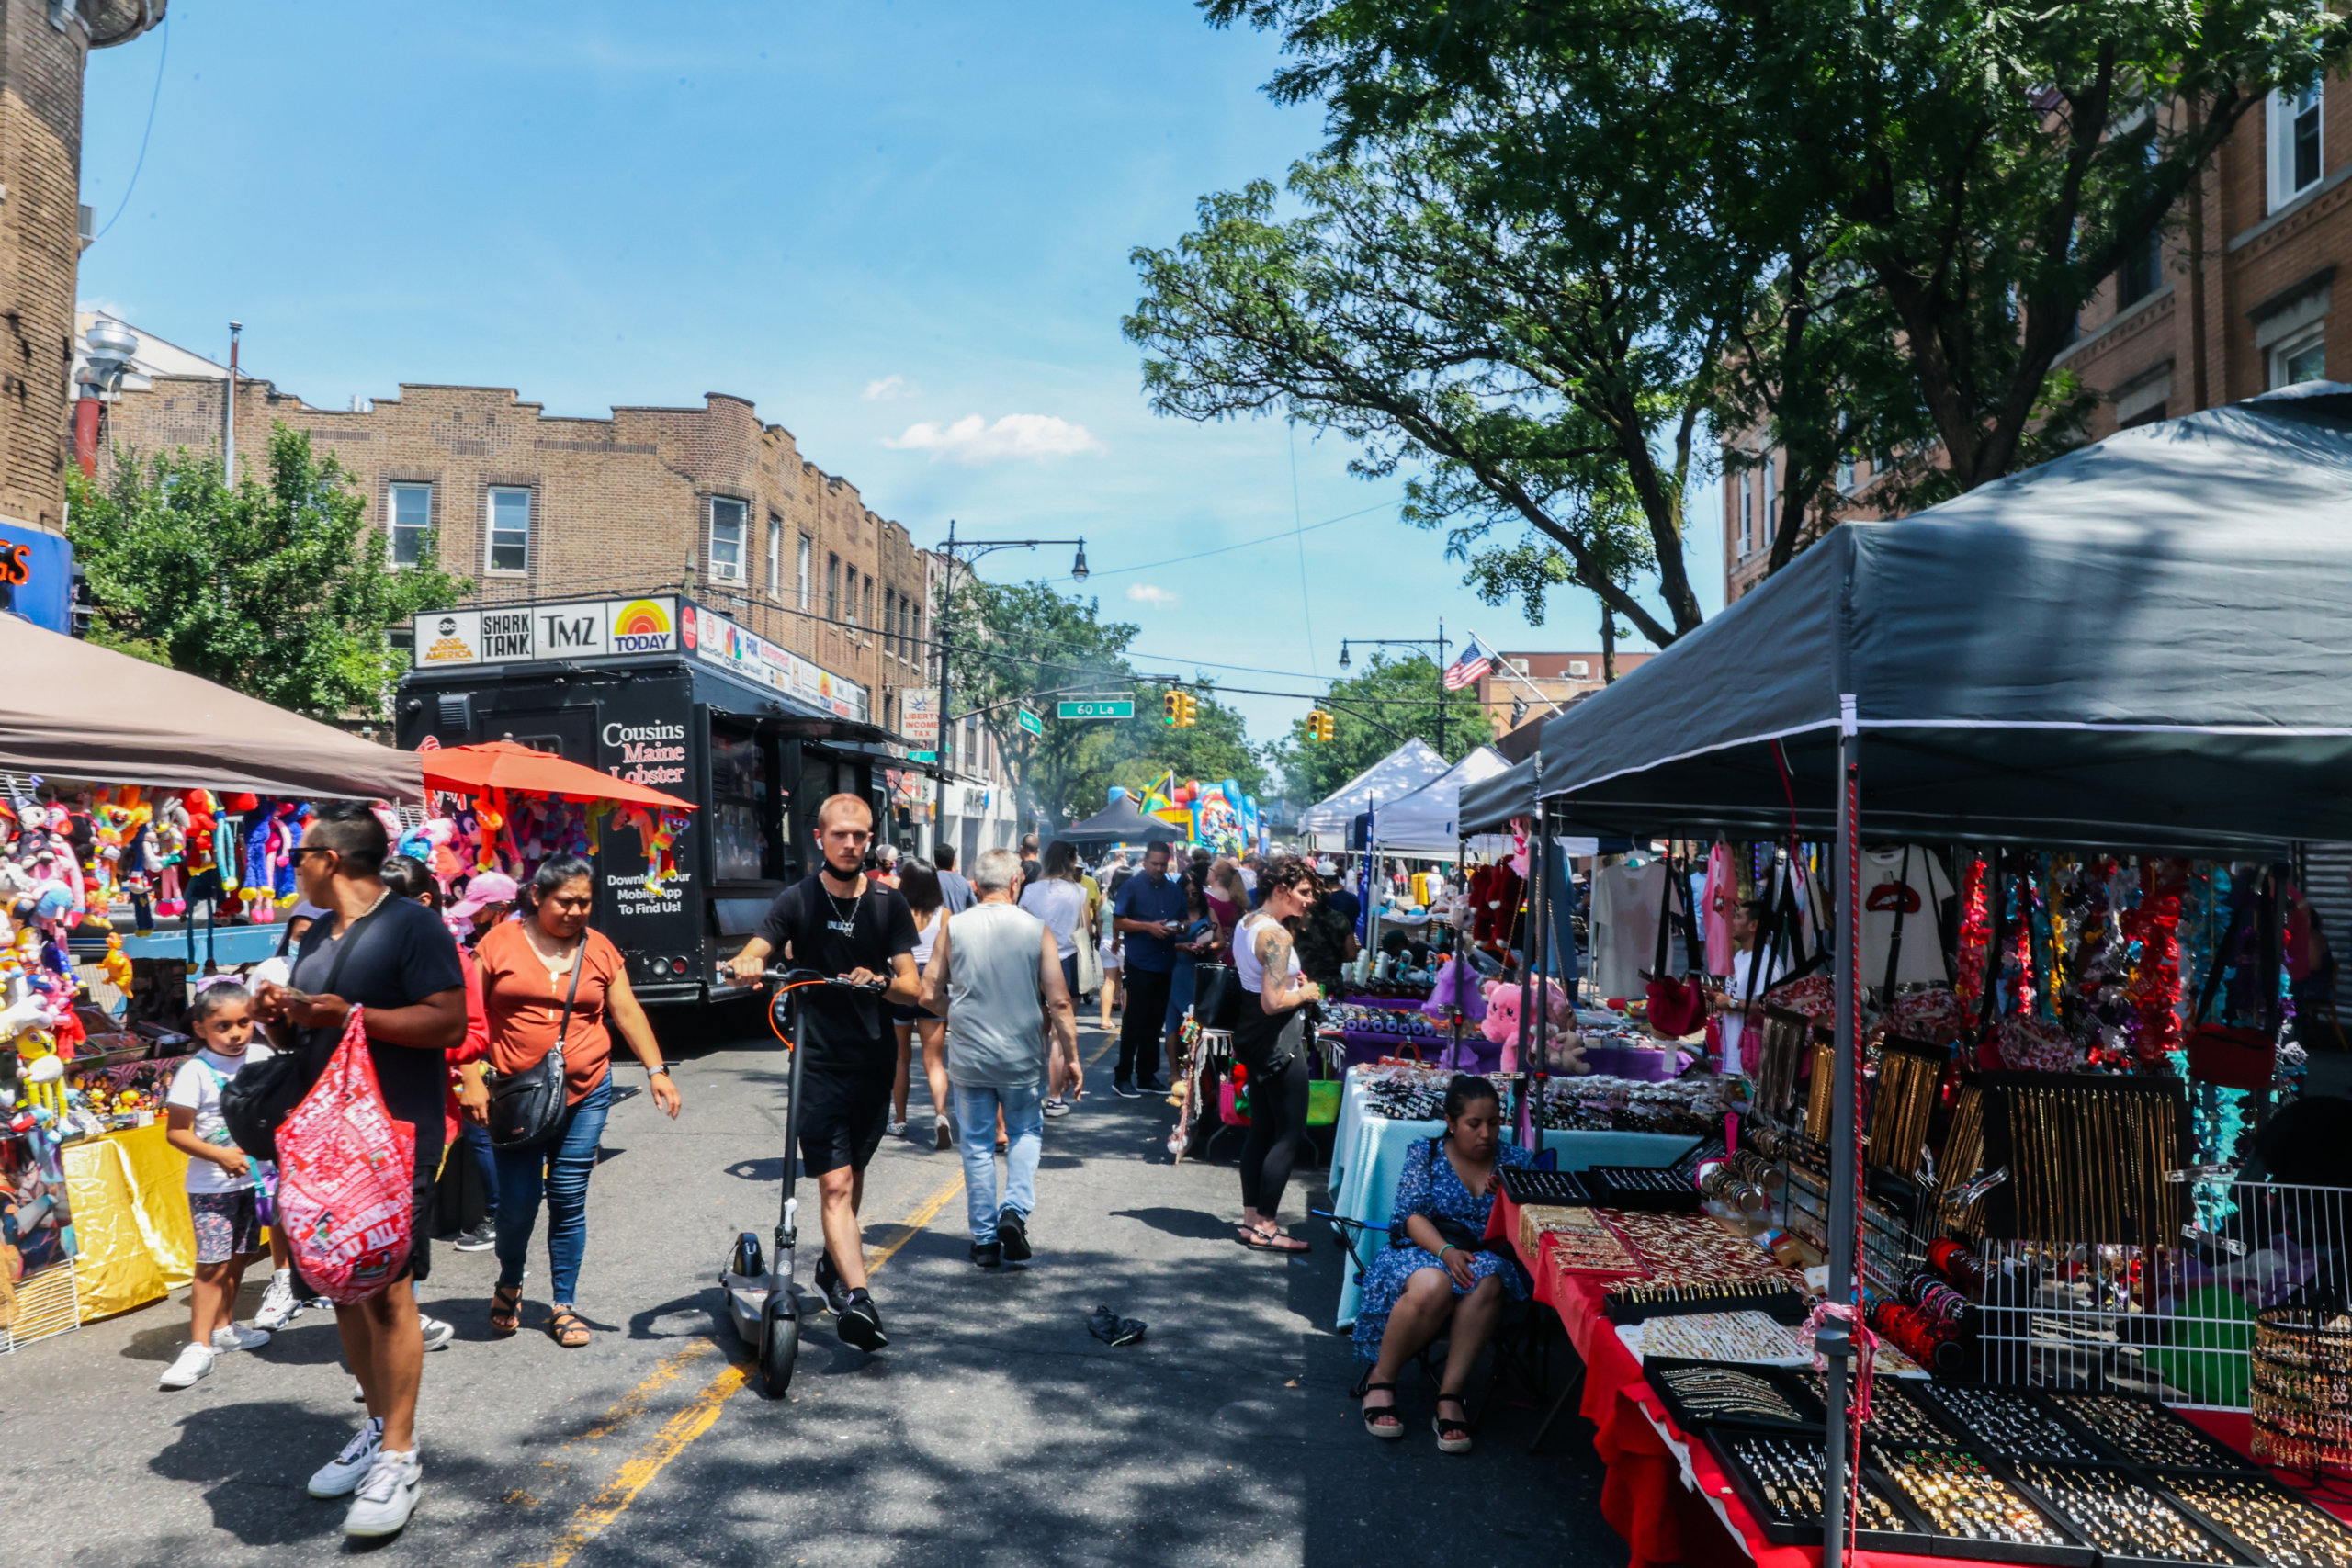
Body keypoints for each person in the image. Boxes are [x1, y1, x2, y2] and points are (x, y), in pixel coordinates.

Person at [252, 802, 469, 1540]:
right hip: (324, 1136)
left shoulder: (413, 925)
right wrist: (279, 1015)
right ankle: (377, 1428)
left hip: (392, 1134)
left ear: (332, 857)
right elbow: (311, 1029)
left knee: (387, 1291)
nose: (294, 866)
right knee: (339, 1286)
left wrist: (349, 1016)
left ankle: (401, 1455)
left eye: (299, 855)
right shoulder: (317, 933)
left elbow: (448, 1022)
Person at [728, 794, 922, 1353]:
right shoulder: (798, 899)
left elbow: (914, 987)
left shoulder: (887, 903)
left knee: (851, 1177)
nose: (850, 844)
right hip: (816, 1063)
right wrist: (746, 962)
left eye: (860, 835)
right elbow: (758, 947)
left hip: (874, 1062)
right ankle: (860, 1300)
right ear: (820, 838)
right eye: (840, 834)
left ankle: (834, 1269)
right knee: (834, 1184)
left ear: (870, 840)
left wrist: (881, 982)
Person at [471, 856, 681, 1348]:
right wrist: (469, 1079)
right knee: (518, 1203)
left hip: (586, 1090)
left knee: (568, 1195)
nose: (575, 911)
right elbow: (469, 1016)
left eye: (584, 902)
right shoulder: (498, 943)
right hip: (517, 1096)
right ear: (537, 896)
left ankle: (563, 1305)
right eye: (565, 901)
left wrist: (657, 1070)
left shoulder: (599, 948)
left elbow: (625, 1010)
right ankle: (510, 1279)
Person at [1351, 1076, 1534, 1454]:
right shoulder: (1426, 1153)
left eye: (1494, 1123)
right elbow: (1411, 1217)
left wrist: (1510, 1199)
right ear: (1451, 1123)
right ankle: (1382, 1379)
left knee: (1489, 1282)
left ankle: (1449, 1395)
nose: (1486, 1134)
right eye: (1474, 1124)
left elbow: (1530, 1231)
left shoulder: (1516, 1162)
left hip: (1484, 1255)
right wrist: (1446, 1251)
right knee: (1433, 1284)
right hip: (1424, 1248)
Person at [921, 847, 1077, 1267]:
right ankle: (1015, 1210)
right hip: (1020, 1055)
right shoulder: (1036, 929)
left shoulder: (954, 927)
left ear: (976, 885)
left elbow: (927, 993)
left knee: (976, 1144)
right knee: (1025, 1132)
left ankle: (986, 1241)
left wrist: (956, 1013)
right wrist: (1072, 1056)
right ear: (1015, 882)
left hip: (970, 1056)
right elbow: (1060, 1002)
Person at [159, 980, 281, 1388]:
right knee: (211, 1264)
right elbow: (177, 1133)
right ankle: (198, 1347)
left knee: (241, 1256)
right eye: (223, 1026)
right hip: (211, 1186)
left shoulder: (263, 1056)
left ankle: (225, 1328)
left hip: (256, 1182)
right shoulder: (194, 1071)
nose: (235, 1034)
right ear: (201, 1029)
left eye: (244, 1023)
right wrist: (220, 1156)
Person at [1232, 857, 1326, 1252]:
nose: (1310, 899)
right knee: (1288, 1133)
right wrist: (1305, 993)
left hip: (1255, 1037)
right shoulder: (1276, 935)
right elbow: (1272, 1002)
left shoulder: (1248, 922)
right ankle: (1267, 1227)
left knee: (1262, 1130)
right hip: (1276, 1041)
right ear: (1281, 890)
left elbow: (1262, 985)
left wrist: (1291, 983)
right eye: (1304, 892)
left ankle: (1252, 1221)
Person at [443, 870, 518, 1250]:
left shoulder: (500, 942)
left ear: (500, 908)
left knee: (480, 1132)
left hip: (500, 1051)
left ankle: (498, 1216)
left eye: (480, 911)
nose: (474, 918)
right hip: (511, 1049)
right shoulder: (520, 935)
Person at [1109, 840, 1187, 1098]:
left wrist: (1178, 929)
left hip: (1165, 962)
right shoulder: (1131, 886)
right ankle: (1122, 1076)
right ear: (1144, 862)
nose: (1159, 868)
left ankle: (1146, 1075)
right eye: (1154, 864)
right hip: (1140, 961)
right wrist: (1147, 927)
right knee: (1134, 1021)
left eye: (1163, 864)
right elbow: (1119, 922)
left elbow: (1184, 921)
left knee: (1154, 1023)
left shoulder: (1174, 890)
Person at [889, 857, 954, 1147]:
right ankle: (941, 1115)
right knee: (934, 1060)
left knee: (901, 1058)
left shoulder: (896, 911)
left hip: (902, 985)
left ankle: (900, 1120)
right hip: (932, 987)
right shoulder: (944, 915)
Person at [1706, 898, 1783, 1074]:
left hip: (1753, 1061)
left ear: (1753, 925)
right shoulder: (1740, 955)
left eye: (1738, 917)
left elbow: (1771, 1008)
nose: (1732, 921)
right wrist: (1719, 996)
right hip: (1734, 1056)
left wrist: (1730, 1003)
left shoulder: (1765, 961)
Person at [1019, 840, 1090, 998]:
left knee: (1041, 1006)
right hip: (1069, 958)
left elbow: (1021, 926)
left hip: (1037, 959)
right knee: (1067, 1005)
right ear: (1072, 863)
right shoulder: (1080, 892)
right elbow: (1086, 928)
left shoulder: (1030, 890)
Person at [933, 842, 976, 914]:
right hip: (960, 920)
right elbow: (973, 907)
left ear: (936, 863)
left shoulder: (932, 880)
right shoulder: (964, 882)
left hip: (940, 921)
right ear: (953, 862)